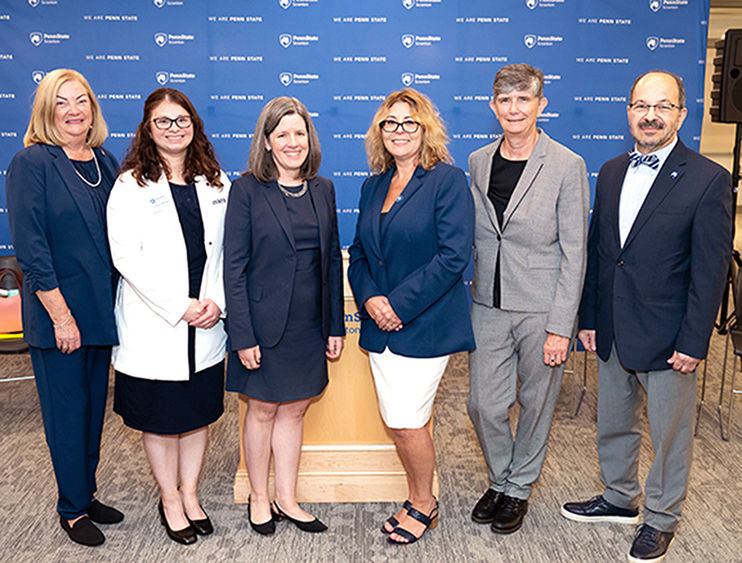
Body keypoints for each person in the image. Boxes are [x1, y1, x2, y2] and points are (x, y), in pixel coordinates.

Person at [561, 70, 733, 563]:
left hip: (669, 335)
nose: (650, 115)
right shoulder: (613, 169)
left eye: (663, 106)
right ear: (629, 112)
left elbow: (710, 271)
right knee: (613, 421)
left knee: (669, 434)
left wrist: (695, 341)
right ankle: (618, 496)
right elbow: (601, 252)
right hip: (614, 326)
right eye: (641, 105)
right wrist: (589, 318)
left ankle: (661, 517)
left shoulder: (709, 179)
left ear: (681, 113)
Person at [348, 88, 475, 545]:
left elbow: (453, 256)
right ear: (379, 132)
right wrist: (371, 301)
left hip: (425, 326)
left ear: (426, 130)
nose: (399, 131)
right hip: (379, 326)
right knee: (400, 420)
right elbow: (360, 254)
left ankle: (425, 503)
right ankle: (417, 495)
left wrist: (397, 305)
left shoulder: (447, 180)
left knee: (407, 420)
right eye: (390, 123)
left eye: (409, 123)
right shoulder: (373, 184)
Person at [467, 63, 589, 535]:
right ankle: (500, 478)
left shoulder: (566, 164)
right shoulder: (478, 161)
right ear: (493, 106)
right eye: (505, 100)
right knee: (484, 405)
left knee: (537, 404)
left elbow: (575, 252)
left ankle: (517, 489)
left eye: (524, 99)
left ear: (542, 105)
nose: (514, 109)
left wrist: (563, 326)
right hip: (488, 303)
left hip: (542, 306)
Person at [5, 68, 123, 546]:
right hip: (60, 318)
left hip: (101, 311)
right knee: (67, 414)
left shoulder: (107, 161)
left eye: (82, 101)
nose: (74, 111)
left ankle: (86, 491)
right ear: (46, 111)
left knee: (95, 410)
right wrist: (61, 317)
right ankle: (71, 509)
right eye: (62, 103)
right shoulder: (32, 164)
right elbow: (31, 251)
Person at [107, 88, 230, 545]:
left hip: (207, 321)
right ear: (148, 128)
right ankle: (170, 498)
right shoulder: (130, 184)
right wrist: (181, 306)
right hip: (157, 324)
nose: (174, 128)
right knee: (161, 419)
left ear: (194, 125)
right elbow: (126, 258)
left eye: (182, 120)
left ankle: (192, 492)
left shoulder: (216, 180)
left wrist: (216, 302)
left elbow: (229, 252)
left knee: (197, 415)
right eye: (164, 121)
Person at [224, 97, 344, 536]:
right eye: (283, 135)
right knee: (261, 411)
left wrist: (333, 326)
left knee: (293, 411)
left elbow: (330, 262)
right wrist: (242, 334)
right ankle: (260, 497)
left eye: (300, 133)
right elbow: (232, 268)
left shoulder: (324, 189)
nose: (293, 142)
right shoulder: (247, 190)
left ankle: (287, 498)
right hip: (261, 326)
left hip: (309, 327)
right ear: (268, 142)